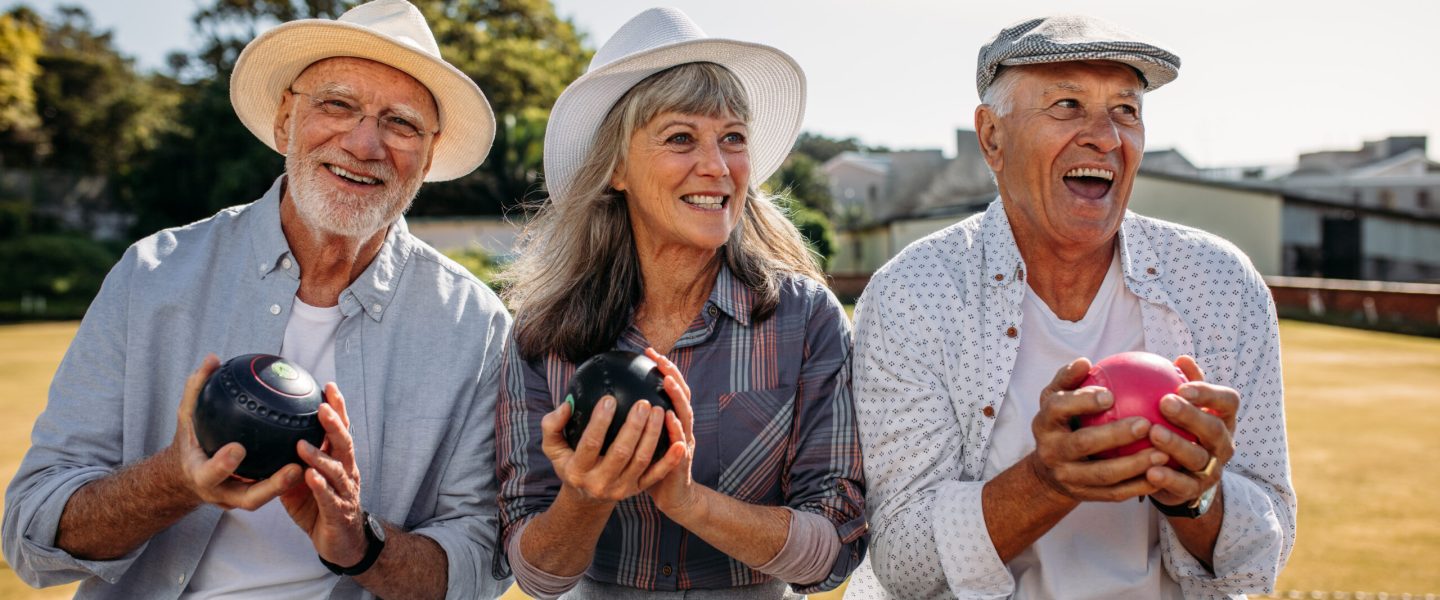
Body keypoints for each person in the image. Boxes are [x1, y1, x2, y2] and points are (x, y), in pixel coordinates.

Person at [2, 1, 512, 598]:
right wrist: (175, 479)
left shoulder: (475, 328)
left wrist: (359, 540)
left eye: (401, 123)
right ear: (284, 121)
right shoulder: (152, 275)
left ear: (427, 158)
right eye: (338, 104)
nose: (365, 142)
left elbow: (480, 565)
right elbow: (30, 537)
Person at [848, 15, 1296, 599]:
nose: (1106, 137)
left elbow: (1263, 555)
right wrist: (1046, 479)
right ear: (992, 138)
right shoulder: (914, 294)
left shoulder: (1219, 283)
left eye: (1126, 110)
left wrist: (1197, 493)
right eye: (1066, 105)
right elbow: (901, 562)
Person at [494, 8, 866, 599]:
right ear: (615, 168)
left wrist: (689, 501)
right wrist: (586, 498)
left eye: (733, 138)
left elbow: (837, 547)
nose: (716, 167)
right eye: (680, 138)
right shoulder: (544, 334)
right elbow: (535, 575)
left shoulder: (806, 319)